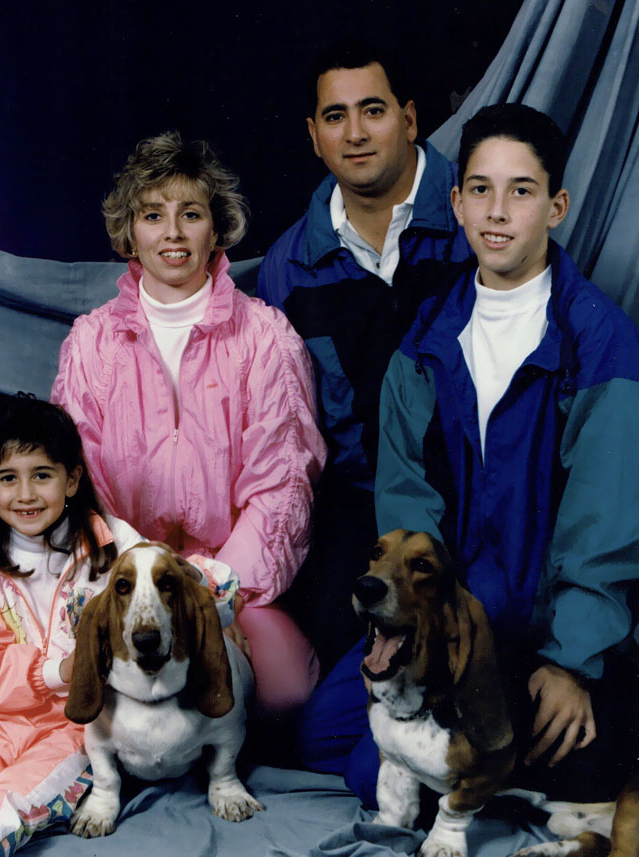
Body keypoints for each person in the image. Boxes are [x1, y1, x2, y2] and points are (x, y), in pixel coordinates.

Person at [300, 103, 639, 806]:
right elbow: (406, 510)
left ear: (557, 206)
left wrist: (570, 662)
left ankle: (504, 750)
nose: (497, 211)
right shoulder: (426, 343)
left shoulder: (600, 340)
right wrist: (425, 640)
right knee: (326, 735)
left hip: (551, 628)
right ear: (455, 203)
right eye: (480, 188)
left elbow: (603, 524)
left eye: (522, 190)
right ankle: (485, 757)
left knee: (578, 757)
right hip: (455, 626)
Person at [52, 131, 327, 713]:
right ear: (130, 232)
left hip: (231, 582)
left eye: (191, 214)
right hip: (124, 578)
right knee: (90, 702)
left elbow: (283, 484)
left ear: (217, 228)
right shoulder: (91, 344)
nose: (173, 234)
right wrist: (131, 577)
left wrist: (216, 590)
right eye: (153, 215)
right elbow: (79, 485)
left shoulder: (265, 337)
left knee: (284, 693)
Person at [257, 39, 473, 672]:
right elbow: (296, 426)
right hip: (360, 504)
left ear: (409, 119)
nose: (354, 133)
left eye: (373, 111)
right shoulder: (290, 266)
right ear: (313, 135)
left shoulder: (476, 215)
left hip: (476, 489)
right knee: (326, 680)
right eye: (334, 117)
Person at [0, 394, 143, 857]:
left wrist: (221, 602)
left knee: (7, 802)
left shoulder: (115, 543)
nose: (26, 494)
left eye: (43, 476)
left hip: (80, 724)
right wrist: (56, 670)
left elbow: (172, 581)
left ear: (71, 480)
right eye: (8, 478)